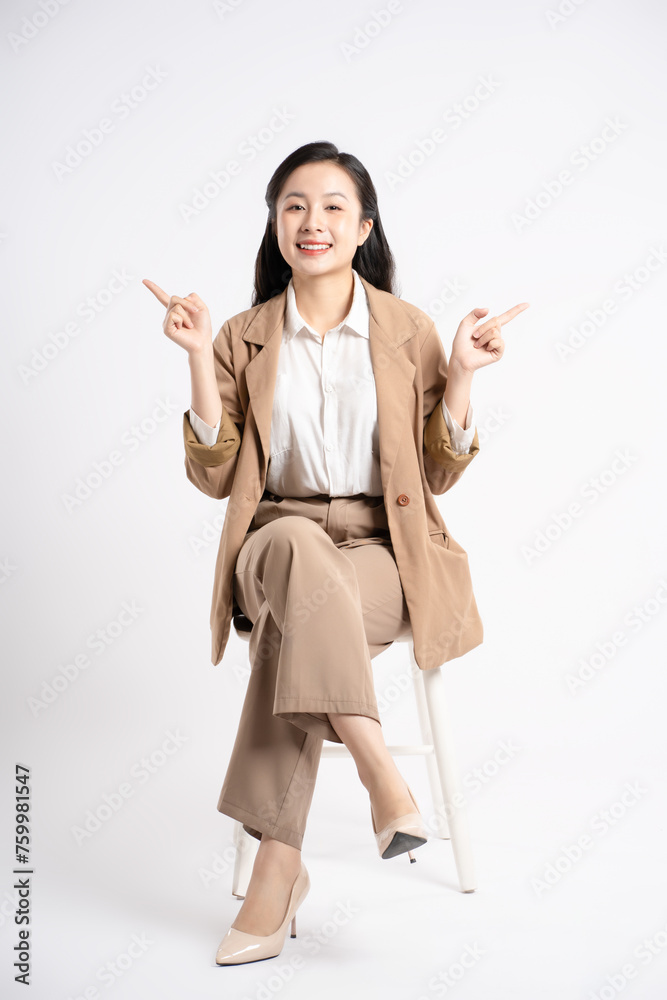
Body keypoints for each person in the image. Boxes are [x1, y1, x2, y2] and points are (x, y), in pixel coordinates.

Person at [143, 140, 529, 966]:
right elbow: (215, 479)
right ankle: (378, 770)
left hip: (381, 554)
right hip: (272, 542)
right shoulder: (242, 336)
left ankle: (277, 873)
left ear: (362, 227)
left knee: (293, 632)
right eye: (293, 205)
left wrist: (463, 375)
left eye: (331, 207)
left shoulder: (407, 329)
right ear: (274, 225)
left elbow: (434, 473)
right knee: (291, 545)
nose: (310, 221)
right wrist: (197, 359)